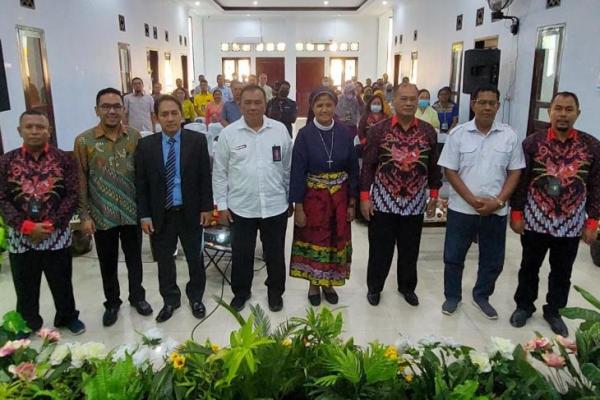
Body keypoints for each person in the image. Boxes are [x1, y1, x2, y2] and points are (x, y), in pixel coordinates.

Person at [509, 92, 600, 337]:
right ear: (549, 111)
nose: (563, 114)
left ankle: (554, 311)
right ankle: (524, 306)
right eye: (558, 108)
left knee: (562, 270)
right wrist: (516, 211)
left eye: (568, 109)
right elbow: (521, 181)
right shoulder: (533, 143)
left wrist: (593, 220)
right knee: (529, 266)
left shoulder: (591, 145)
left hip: (571, 223)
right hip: (536, 218)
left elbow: (596, 185)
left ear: (577, 113)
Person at [438, 86, 525, 319]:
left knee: (493, 259)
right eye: (482, 102)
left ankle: (482, 296)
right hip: (461, 209)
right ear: (473, 104)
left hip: (495, 211)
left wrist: (499, 201)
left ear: (498, 106)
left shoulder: (509, 136)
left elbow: (515, 172)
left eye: (492, 103)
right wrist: (470, 198)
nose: (487, 107)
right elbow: (450, 170)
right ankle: (452, 296)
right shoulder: (458, 134)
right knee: (454, 256)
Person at [0, 110, 85, 335]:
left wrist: (51, 225)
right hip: (21, 237)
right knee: (25, 284)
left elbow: (72, 195)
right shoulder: (6, 160)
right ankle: (28, 322)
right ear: (20, 131)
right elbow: (2, 197)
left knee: (62, 281)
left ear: (49, 131)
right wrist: (24, 225)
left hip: (56, 235)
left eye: (40, 127)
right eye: (29, 127)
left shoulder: (63, 159)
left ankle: (67, 316)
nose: (35, 131)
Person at [74, 88, 153, 327]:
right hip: (102, 215)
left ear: (123, 109)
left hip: (131, 213)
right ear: (96, 110)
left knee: (134, 260)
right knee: (107, 262)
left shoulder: (135, 137)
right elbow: (80, 181)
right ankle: (112, 303)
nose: (111, 111)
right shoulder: (84, 141)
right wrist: (84, 216)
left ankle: (137, 297)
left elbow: (143, 176)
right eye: (106, 106)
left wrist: (145, 212)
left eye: (116, 106)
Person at [360, 83, 442, 307]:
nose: (409, 103)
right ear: (393, 101)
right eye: (403, 99)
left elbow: (434, 165)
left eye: (413, 99)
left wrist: (434, 194)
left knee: (410, 249)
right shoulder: (379, 130)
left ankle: (407, 287)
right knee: (380, 249)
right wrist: (364, 197)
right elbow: (368, 166)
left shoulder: (427, 131)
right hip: (383, 201)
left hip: (415, 202)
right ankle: (374, 288)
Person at [213, 85, 293, 313]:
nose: (253, 107)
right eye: (247, 102)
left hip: (275, 205)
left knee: (276, 254)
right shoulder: (229, 134)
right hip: (241, 207)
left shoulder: (279, 131)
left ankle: (275, 292)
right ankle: (241, 292)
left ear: (265, 103)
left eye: (258, 102)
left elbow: (287, 167)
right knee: (241, 254)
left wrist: (289, 198)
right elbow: (219, 173)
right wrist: (222, 205)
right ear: (240, 104)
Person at [135, 95, 213, 323]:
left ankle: (196, 297)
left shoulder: (197, 141)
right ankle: (170, 300)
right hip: (161, 214)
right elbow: (141, 184)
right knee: (165, 261)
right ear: (156, 118)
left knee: (195, 259)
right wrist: (145, 215)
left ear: (181, 115)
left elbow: (204, 178)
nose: (170, 118)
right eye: (164, 114)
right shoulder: (146, 145)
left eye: (174, 113)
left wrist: (207, 208)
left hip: (191, 212)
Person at [289, 87, 359, 305]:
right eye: (319, 105)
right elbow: (297, 171)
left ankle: (328, 283)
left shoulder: (345, 133)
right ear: (312, 108)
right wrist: (298, 206)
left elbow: (353, 169)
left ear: (334, 106)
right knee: (314, 242)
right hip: (313, 200)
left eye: (328, 105)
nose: (324, 109)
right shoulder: (304, 135)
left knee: (333, 241)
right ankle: (313, 285)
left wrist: (352, 202)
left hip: (339, 199)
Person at [357, 92, 388, 156]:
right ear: (370, 104)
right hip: (367, 145)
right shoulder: (365, 117)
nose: (376, 105)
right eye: (374, 103)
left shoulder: (385, 117)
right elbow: (360, 130)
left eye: (378, 104)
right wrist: (365, 141)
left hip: (382, 146)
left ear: (381, 106)